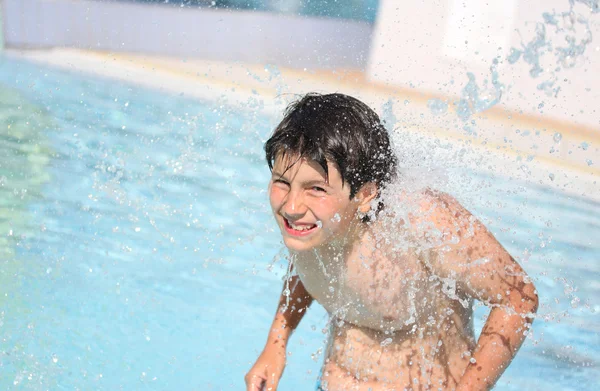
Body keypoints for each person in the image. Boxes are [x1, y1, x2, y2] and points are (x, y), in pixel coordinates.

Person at [245, 93, 538, 391]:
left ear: (365, 195)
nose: (292, 206)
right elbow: (306, 268)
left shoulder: (421, 222)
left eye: (316, 188)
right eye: (282, 182)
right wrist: (276, 344)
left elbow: (518, 296)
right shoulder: (311, 226)